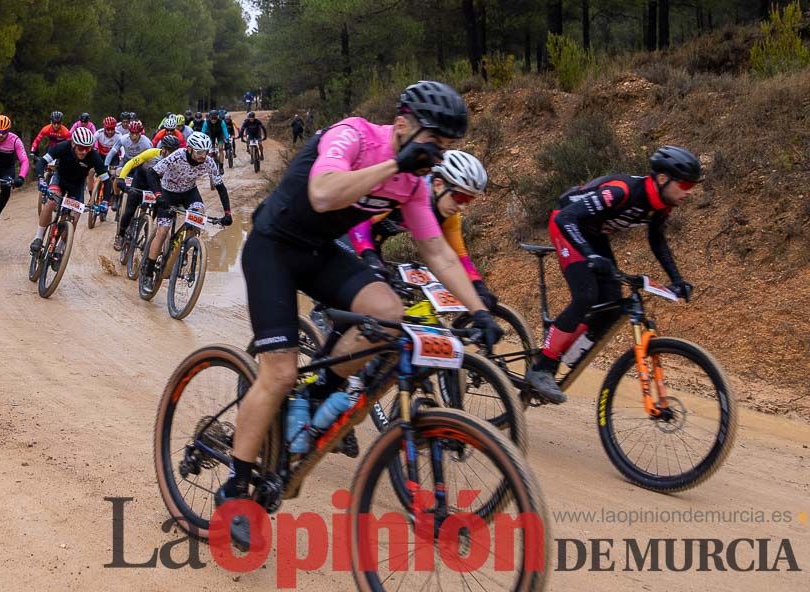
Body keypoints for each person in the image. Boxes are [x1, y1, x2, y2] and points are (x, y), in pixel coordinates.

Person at [215, 80, 503, 550]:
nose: (438, 155)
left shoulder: (412, 181)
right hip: (273, 248)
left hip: (319, 252)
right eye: (435, 142)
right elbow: (325, 192)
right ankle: (235, 490)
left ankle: (319, 392)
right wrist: (393, 164)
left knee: (390, 313)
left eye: (448, 147)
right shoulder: (354, 135)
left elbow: (439, 252)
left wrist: (479, 309)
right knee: (279, 372)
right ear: (404, 124)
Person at [523, 145, 703, 404]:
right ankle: (542, 367)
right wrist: (589, 254)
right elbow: (568, 218)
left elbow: (657, 240)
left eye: (693, 185)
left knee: (610, 305)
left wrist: (677, 279)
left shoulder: (662, 203)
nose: (690, 191)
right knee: (586, 295)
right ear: (663, 178)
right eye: (685, 184)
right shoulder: (622, 190)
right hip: (567, 223)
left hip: (595, 233)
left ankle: (562, 348)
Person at [348, 150, 497, 309]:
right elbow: (358, 222)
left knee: (392, 307)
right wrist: (369, 257)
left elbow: (460, 256)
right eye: (460, 198)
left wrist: (479, 287)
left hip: (372, 243)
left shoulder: (449, 215)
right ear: (439, 185)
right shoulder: (407, 190)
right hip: (348, 231)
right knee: (364, 299)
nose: (462, 207)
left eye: (469, 200)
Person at [139, 131, 233, 292]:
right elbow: (152, 173)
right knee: (162, 231)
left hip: (189, 192)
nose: (203, 156)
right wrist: (158, 195)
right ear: (189, 149)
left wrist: (228, 213)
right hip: (168, 193)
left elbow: (220, 187)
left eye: (206, 152)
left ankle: (184, 248)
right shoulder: (177, 156)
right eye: (199, 152)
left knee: (199, 213)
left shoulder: (208, 162)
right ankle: (148, 272)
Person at [31, 126, 111, 254]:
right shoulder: (63, 147)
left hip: (77, 185)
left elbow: (107, 181)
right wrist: (41, 179)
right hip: (60, 179)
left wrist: (105, 202)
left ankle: (61, 247)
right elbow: (42, 162)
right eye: (81, 148)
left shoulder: (94, 156)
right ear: (73, 144)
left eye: (88, 148)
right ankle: (38, 237)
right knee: (51, 202)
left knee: (75, 216)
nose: (84, 152)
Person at [112, 133, 180, 251]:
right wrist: (122, 178)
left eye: (175, 151)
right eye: (170, 150)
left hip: (156, 186)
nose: (173, 154)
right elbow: (131, 163)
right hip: (140, 182)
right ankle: (120, 235)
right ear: (163, 149)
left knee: (159, 208)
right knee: (129, 209)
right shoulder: (151, 153)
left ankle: (148, 232)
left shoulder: (176, 160)